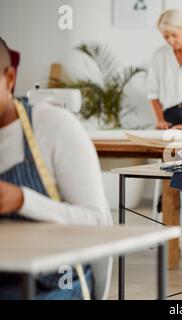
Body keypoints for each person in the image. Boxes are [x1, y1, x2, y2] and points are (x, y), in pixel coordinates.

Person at [0, 37, 112, 299]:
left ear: (9, 78)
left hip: (53, 285)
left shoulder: (53, 126)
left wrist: (22, 200)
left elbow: (98, 223)